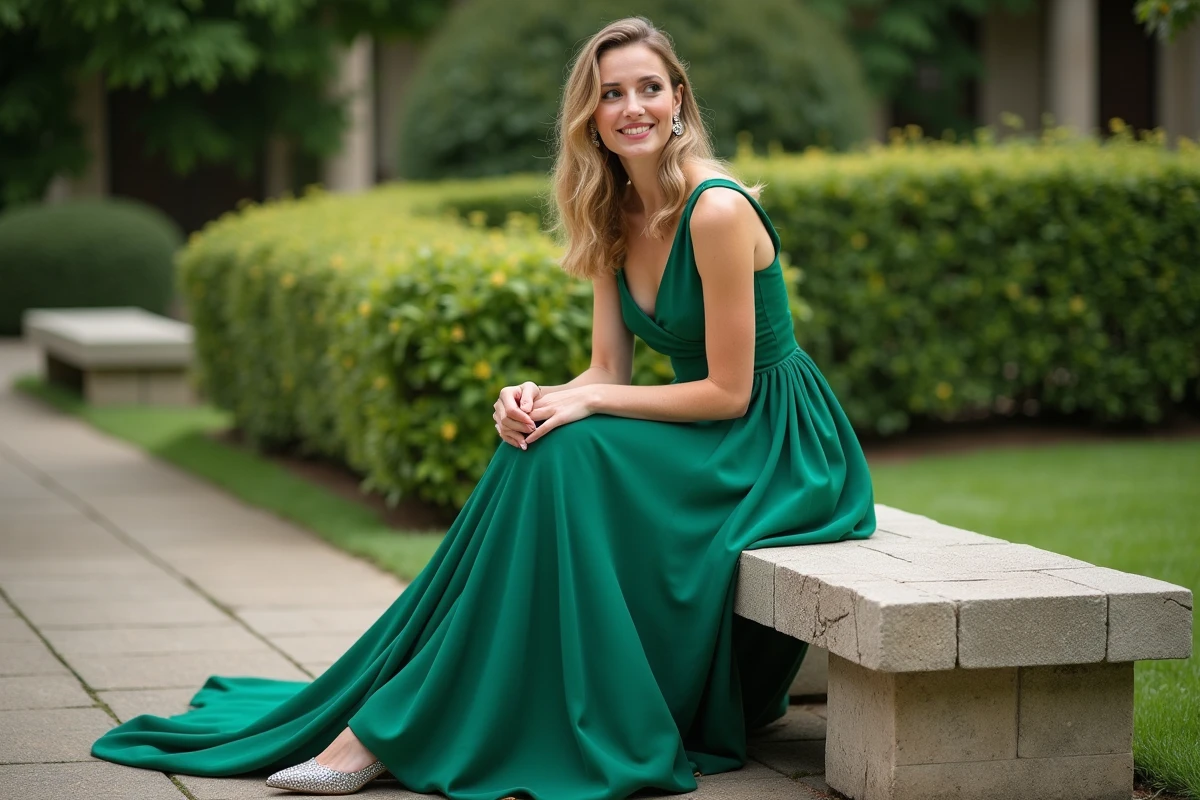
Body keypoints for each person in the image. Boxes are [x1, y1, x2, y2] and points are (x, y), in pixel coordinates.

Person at [89, 15, 875, 799]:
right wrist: (537, 396)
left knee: (572, 449)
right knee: (537, 439)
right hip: (703, 430)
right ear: (590, 116)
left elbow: (728, 391)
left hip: (775, 444)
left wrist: (591, 400)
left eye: (649, 88)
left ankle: (391, 726)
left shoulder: (716, 211)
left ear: (679, 100)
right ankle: (407, 705)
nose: (632, 107)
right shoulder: (610, 212)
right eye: (611, 94)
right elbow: (607, 365)